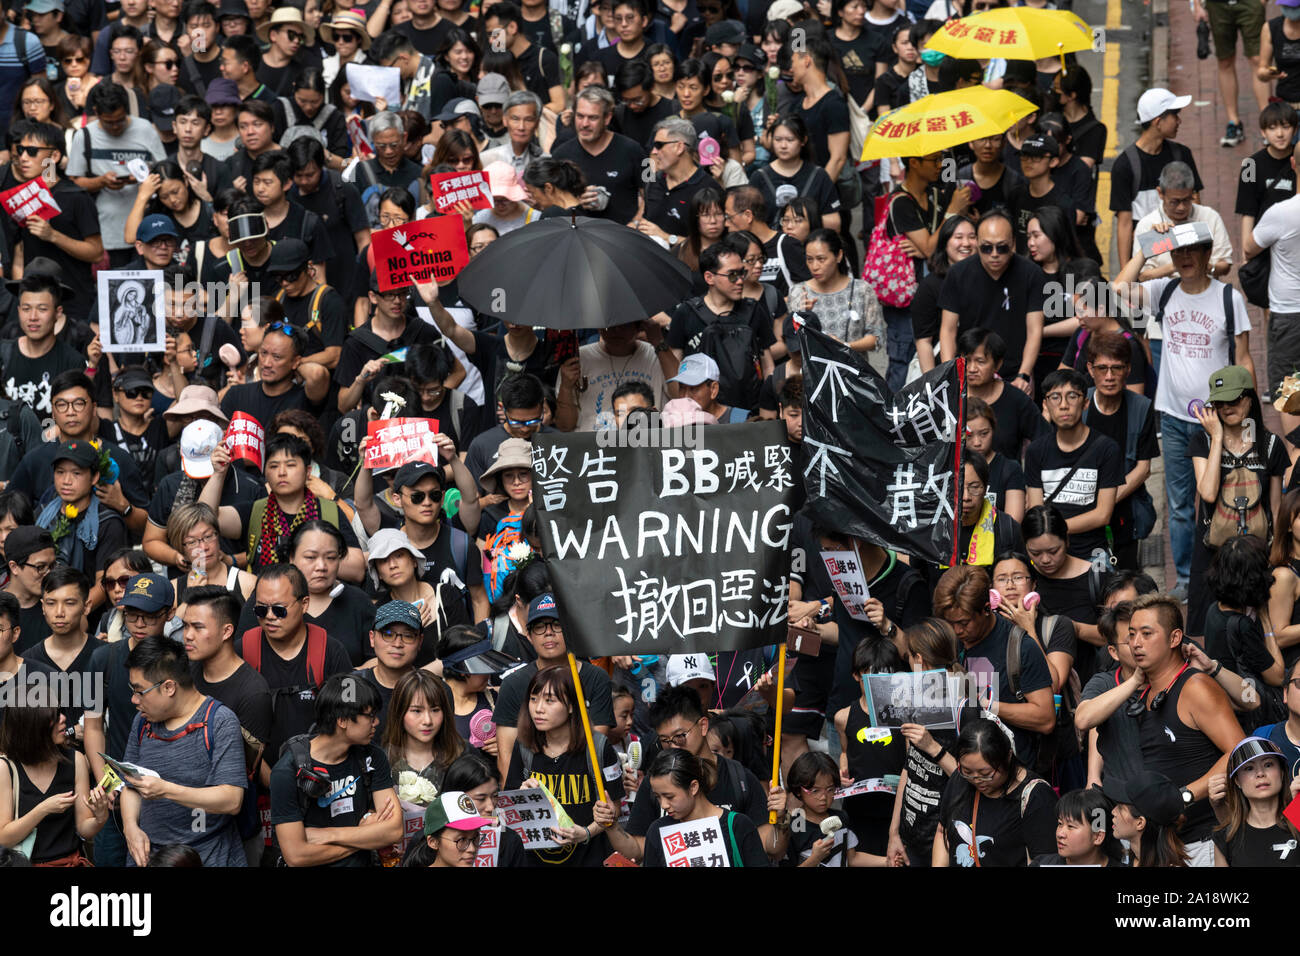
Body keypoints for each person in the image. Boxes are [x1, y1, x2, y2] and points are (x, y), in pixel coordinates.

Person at [1114, 233, 1253, 604]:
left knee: (1225, 496)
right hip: (1174, 418)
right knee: (1179, 504)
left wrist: (1247, 410)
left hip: (1218, 418)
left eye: (1194, 250)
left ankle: (1230, 572)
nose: (1186, 258)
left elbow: (1243, 357)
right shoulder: (1164, 290)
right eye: (1179, 251)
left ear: (1209, 254)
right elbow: (1118, 287)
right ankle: (1188, 579)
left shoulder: (1228, 298)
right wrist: (1148, 247)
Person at [1126, 593, 1247, 866]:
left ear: (1174, 638)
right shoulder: (1144, 691)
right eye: (1131, 634)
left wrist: (1183, 796)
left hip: (1203, 840)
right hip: (1164, 844)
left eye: (1146, 633)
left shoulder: (1195, 687)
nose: (1136, 643)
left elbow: (1240, 749)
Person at [119, 635, 247, 867]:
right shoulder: (142, 721)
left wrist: (166, 790)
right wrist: (131, 828)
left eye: (140, 691)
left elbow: (232, 800)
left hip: (206, 855)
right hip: (149, 857)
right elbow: (131, 784)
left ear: (169, 687)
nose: (134, 699)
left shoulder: (218, 721)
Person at [1188, 366, 1288, 636]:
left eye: (1233, 400)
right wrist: (1217, 437)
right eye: (1219, 402)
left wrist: (1278, 553)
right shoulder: (1202, 440)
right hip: (1213, 553)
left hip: (1256, 553)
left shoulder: (1271, 445)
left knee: (1258, 630)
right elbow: (1207, 493)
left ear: (1249, 399)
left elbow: (1276, 508)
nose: (1226, 407)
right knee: (1206, 631)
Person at [268, 672, 403, 866]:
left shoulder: (372, 756)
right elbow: (297, 856)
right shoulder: (286, 772)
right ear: (343, 720)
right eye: (370, 716)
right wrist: (367, 837)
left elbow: (394, 831)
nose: (376, 723)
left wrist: (327, 835)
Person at [501, 665, 624, 866]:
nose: (538, 708)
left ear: (571, 706)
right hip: (537, 861)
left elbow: (614, 809)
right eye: (533, 699)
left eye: (549, 700)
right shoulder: (524, 747)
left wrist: (585, 833)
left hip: (589, 858)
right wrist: (522, 798)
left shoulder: (599, 748)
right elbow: (509, 812)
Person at [235, 563, 354, 762]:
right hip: (258, 777)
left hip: (321, 773)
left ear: (304, 604)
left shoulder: (332, 652)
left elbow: (352, 715)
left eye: (279, 610)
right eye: (261, 610)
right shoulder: (243, 650)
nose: (269, 617)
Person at [490, 593, 612, 775]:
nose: (548, 632)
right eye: (539, 627)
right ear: (529, 636)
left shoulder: (596, 678)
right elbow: (506, 756)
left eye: (557, 625)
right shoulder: (513, 684)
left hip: (583, 788)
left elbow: (597, 745)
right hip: (533, 791)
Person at [1023, 368, 1123, 568]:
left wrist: (1054, 530)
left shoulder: (1106, 448)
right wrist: (1050, 539)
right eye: (1055, 397)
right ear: (1045, 404)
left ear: (1085, 403)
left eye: (1072, 396)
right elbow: (1035, 508)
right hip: (1047, 553)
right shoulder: (1036, 451)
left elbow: (1103, 514)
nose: (1063, 405)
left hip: (1091, 554)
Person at [3, 119, 102, 319]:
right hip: (35, 306)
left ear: (54, 156)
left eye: (32, 151)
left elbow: (96, 253)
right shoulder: (22, 197)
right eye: (20, 150)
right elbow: (20, 252)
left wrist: (53, 235)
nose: (23, 157)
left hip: (73, 303)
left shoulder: (76, 197)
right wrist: (21, 298)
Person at [939, 209, 1045, 395]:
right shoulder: (958, 274)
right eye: (987, 248)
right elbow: (948, 330)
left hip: (1015, 373)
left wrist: (1025, 374)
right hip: (970, 373)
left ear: (1013, 244)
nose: (994, 254)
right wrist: (951, 375)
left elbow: (1035, 330)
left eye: (1002, 247)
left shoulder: (1031, 274)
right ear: (977, 244)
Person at [606, 748, 770, 866]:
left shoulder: (738, 826)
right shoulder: (658, 830)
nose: (663, 805)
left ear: (693, 787)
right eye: (658, 797)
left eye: (669, 796)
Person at [933, 717, 1059, 867]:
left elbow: (1047, 860)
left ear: (1008, 757)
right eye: (967, 771)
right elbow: (942, 831)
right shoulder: (961, 779)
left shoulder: (1036, 797)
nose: (976, 779)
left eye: (986, 774)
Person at [66, 81, 166, 268]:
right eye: (108, 122)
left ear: (126, 110)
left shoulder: (145, 129)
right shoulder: (84, 136)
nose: (115, 127)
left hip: (146, 229)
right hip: (105, 231)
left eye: (120, 120)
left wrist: (144, 178)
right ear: (96, 112)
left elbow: (164, 171)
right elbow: (74, 183)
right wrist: (101, 181)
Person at [0, 704, 108, 866]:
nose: (64, 719)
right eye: (55, 717)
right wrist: (44, 809)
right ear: (33, 726)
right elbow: (4, 838)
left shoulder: (75, 761)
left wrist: (100, 818)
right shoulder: (6, 768)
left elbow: (83, 828)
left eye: (61, 713)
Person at [1244, 141, 1300, 441]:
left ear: (1292, 165)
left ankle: (1296, 461)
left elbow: (1249, 247)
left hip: (1288, 317)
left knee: (1290, 394)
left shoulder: (1280, 213)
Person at [1108, 87, 1203, 264]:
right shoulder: (1124, 166)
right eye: (1175, 115)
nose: (1179, 121)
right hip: (1146, 261)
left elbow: (1196, 205)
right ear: (1158, 121)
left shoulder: (1183, 155)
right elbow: (1124, 224)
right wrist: (1126, 277)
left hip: (1182, 255)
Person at [552, 84, 645, 225]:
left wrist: (636, 223)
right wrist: (576, 202)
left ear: (607, 118)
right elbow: (552, 202)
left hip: (624, 235)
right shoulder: (560, 155)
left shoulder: (634, 149)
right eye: (580, 116)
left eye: (592, 118)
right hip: (579, 236)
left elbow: (652, 192)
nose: (584, 124)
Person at [786, 228, 882, 354]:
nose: (815, 266)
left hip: (853, 370)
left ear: (839, 256)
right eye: (810, 259)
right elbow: (791, 341)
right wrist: (801, 315)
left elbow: (875, 338)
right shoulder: (798, 292)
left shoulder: (862, 290)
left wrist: (845, 345)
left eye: (821, 259)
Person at [1209, 735, 1300, 866]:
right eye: (1249, 768)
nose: (1260, 773)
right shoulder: (1225, 837)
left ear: (1281, 772)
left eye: (1268, 764)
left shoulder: (1298, 818)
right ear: (1237, 781)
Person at [1133, 162, 1233, 280]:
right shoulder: (1147, 225)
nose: (1181, 207)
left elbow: (1225, 265)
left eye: (1186, 200)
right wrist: (1178, 265)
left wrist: (1205, 266)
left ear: (1193, 193)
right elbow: (1143, 276)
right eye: (1175, 201)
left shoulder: (1210, 217)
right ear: (1160, 193)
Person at [382, 668, 465, 796]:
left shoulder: (462, 753)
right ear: (399, 712)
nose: (427, 721)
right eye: (417, 711)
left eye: (435, 710)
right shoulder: (382, 759)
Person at [1234, 101, 1297, 258]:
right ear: (1263, 132)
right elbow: (1248, 213)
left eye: (1286, 127)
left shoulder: (1299, 160)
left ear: (1295, 130)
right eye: (1272, 128)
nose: (1280, 134)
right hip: (1262, 245)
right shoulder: (1250, 165)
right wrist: (1245, 258)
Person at [636, 116, 711, 241]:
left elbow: (709, 246)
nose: (654, 151)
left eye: (659, 145)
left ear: (679, 147)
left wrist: (668, 238)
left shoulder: (707, 190)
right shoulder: (653, 182)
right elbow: (646, 221)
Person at [964, 398, 1026, 522]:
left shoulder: (1009, 469)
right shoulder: (951, 467)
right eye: (969, 436)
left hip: (998, 539)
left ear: (993, 429)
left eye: (984, 433)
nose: (977, 442)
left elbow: (1013, 522)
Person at [1029, 788, 1125, 866]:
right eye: (1060, 824)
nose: (1060, 834)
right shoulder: (1041, 864)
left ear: (1098, 836)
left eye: (1070, 826)